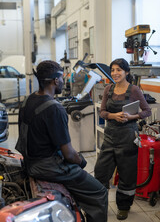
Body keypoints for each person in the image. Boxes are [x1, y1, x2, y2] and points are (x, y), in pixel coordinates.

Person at [15, 60, 108, 222]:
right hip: (48, 167)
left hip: (30, 162)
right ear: (55, 80)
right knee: (99, 192)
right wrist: (82, 162)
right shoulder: (54, 108)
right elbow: (70, 154)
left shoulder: (27, 100)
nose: (64, 81)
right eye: (62, 78)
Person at [94, 58, 151, 220]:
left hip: (128, 138)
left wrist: (131, 116)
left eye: (119, 70)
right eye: (113, 70)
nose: (115, 73)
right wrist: (113, 115)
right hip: (110, 138)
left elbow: (146, 111)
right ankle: (100, 204)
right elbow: (102, 112)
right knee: (101, 172)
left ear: (126, 72)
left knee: (127, 175)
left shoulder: (134, 90)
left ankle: (124, 207)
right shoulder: (108, 89)